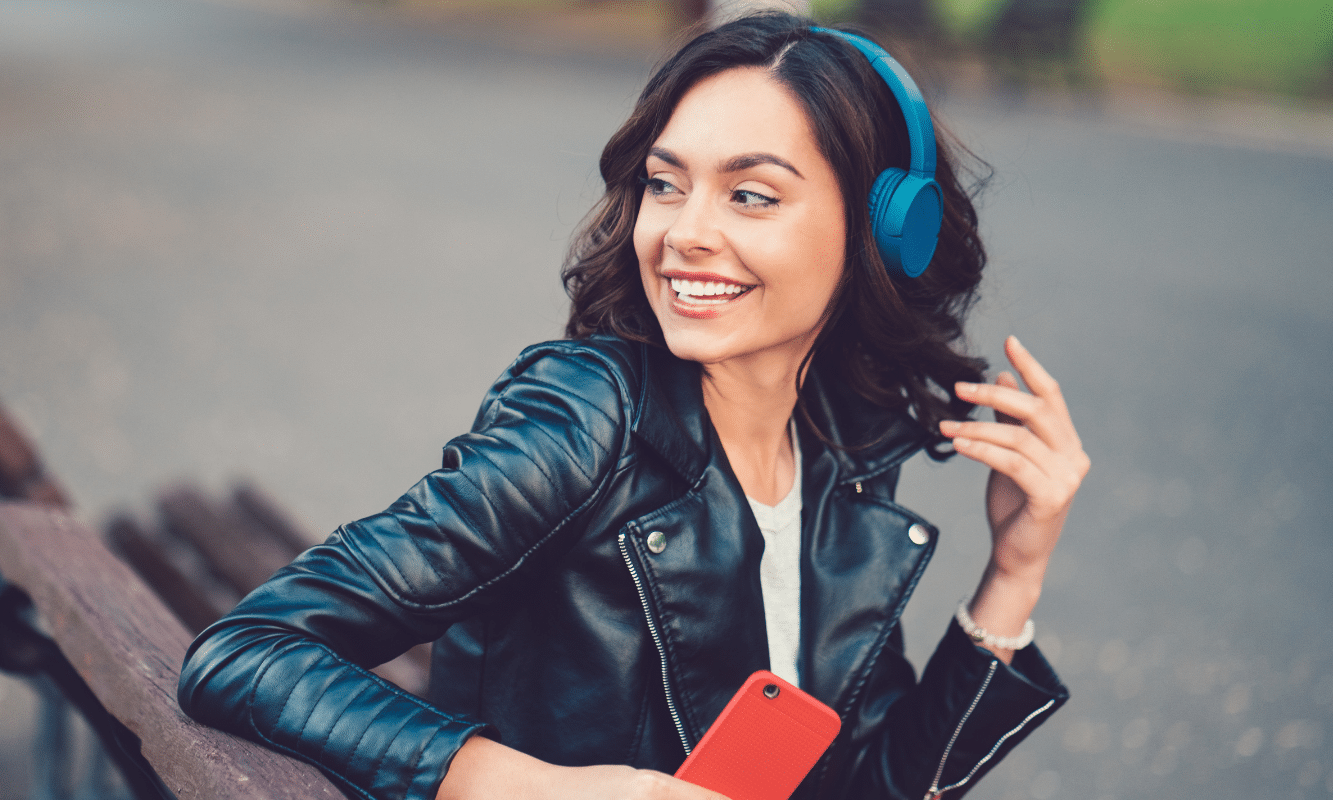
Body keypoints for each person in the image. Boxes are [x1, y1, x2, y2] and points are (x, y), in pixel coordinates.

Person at [179, 12, 1089, 800]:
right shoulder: (585, 421)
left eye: (751, 195)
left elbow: (871, 787)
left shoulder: (844, 452)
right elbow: (245, 651)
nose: (684, 232)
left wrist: (1015, 572)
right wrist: (535, 788)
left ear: (883, 233)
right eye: (665, 183)